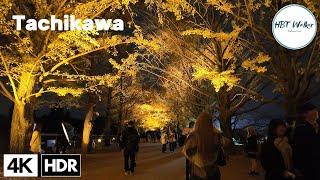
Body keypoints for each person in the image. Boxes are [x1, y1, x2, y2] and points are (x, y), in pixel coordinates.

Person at [182, 111, 223, 180]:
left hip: (197, 172)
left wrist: (195, 159)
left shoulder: (194, 136)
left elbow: (186, 150)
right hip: (213, 171)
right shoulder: (216, 136)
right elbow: (225, 143)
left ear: (198, 122)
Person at [293, 103, 320, 180]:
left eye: (316, 110)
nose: (315, 112)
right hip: (308, 165)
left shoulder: (318, 126)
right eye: (312, 110)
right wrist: (297, 166)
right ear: (305, 114)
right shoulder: (301, 129)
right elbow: (297, 149)